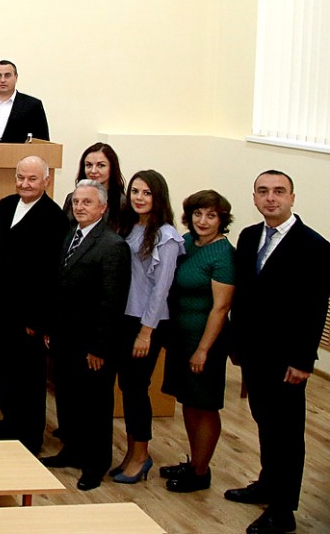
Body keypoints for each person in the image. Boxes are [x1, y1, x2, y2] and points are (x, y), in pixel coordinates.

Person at [226, 171, 330, 534]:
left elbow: (315, 308)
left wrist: (303, 360)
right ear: (254, 197)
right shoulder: (249, 236)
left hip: (288, 360)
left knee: (286, 433)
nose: (271, 198)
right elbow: (244, 295)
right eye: (263, 191)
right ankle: (267, 484)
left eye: (279, 192)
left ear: (292, 198)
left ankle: (283, 510)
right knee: (264, 421)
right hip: (254, 354)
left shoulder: (314, 246)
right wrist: (237, 344)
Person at [40, 180, 132, 491]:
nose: (80, 207)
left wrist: (99, 348)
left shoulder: (113, 245)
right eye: (77, 201)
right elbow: (59, 288)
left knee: (94, 406)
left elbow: (111, 302)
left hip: (93, 345)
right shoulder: (70, 236)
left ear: (102, 208)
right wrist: (51, 329)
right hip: (64, 338)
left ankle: (96, 463)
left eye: (87, 202)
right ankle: (73, 450)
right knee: (68, 400)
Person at [0, 155, 67, 454]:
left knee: (29, 380)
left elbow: (51, 275)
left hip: (29, 316)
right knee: (4, 374)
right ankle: (9, 426)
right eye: (21, 177)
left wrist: (38, 321)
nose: (25, 184)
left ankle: (30, 438)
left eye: (32, 179)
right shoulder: (6, 205)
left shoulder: (54, 218)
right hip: (1, 309)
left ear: (46, 181)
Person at [159, 189, 235, 493]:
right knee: (189, 403)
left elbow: (221, 307)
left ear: (222, 220)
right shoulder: (188, 242)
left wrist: (203, 350)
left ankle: (201, 472)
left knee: (204, 406)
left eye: (211, 216)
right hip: (181, 337)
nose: (203, 221)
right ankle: (194, 462)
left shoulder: (223, 254)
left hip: (205, 342)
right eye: (197, 214)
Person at [112, 170, 183, 483]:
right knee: (128, 387)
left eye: (147, 193)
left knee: (137, 388)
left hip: (147, 323)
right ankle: (131, 452)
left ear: (159, 197)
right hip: (124, 317)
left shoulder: (166, 236)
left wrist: (145, 332)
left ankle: (141, 455)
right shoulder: (129, 227)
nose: (139, 198)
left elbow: (161, 289)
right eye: (135, 191)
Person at [0, 60, 50, 143]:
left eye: (7, 75)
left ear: (16, 78)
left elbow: (43, 143)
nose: (2, 80)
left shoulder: (33, 106)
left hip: (21, 151)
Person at [63, 142, 125, 228]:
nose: (93, 170)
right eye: (89, 165)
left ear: (112, 168)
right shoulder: (71, 198)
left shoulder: (122, 203)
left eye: (101, 165)